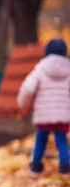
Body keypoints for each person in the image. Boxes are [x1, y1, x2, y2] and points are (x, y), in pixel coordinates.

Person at [17, 38, 70, 175]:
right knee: (61, 141)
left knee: (40, 140)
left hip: (44, 115)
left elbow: (28, 88)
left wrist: (22, 103)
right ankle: (65, 166)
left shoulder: (41, 67)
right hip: (62, 115)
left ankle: (36, 166)